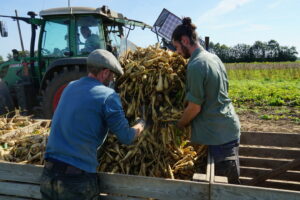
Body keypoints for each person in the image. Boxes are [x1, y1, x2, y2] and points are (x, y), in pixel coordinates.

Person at [40, 49, 145, 199]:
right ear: (105, 73)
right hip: (76, 181)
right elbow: (126, 137)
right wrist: (141, 124)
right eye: (112, 76)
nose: (112, 80)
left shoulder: (70, 86)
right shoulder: (108, 96)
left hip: (48, 175)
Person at [172, 17, 241, 184]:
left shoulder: (196, 65)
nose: (177, 53)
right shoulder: (213, 58)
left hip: (219, 138)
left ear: (185, 40)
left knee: (226, 191)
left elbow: (194, 108)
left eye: (176, 47)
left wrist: (179, 126)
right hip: (227, 129)